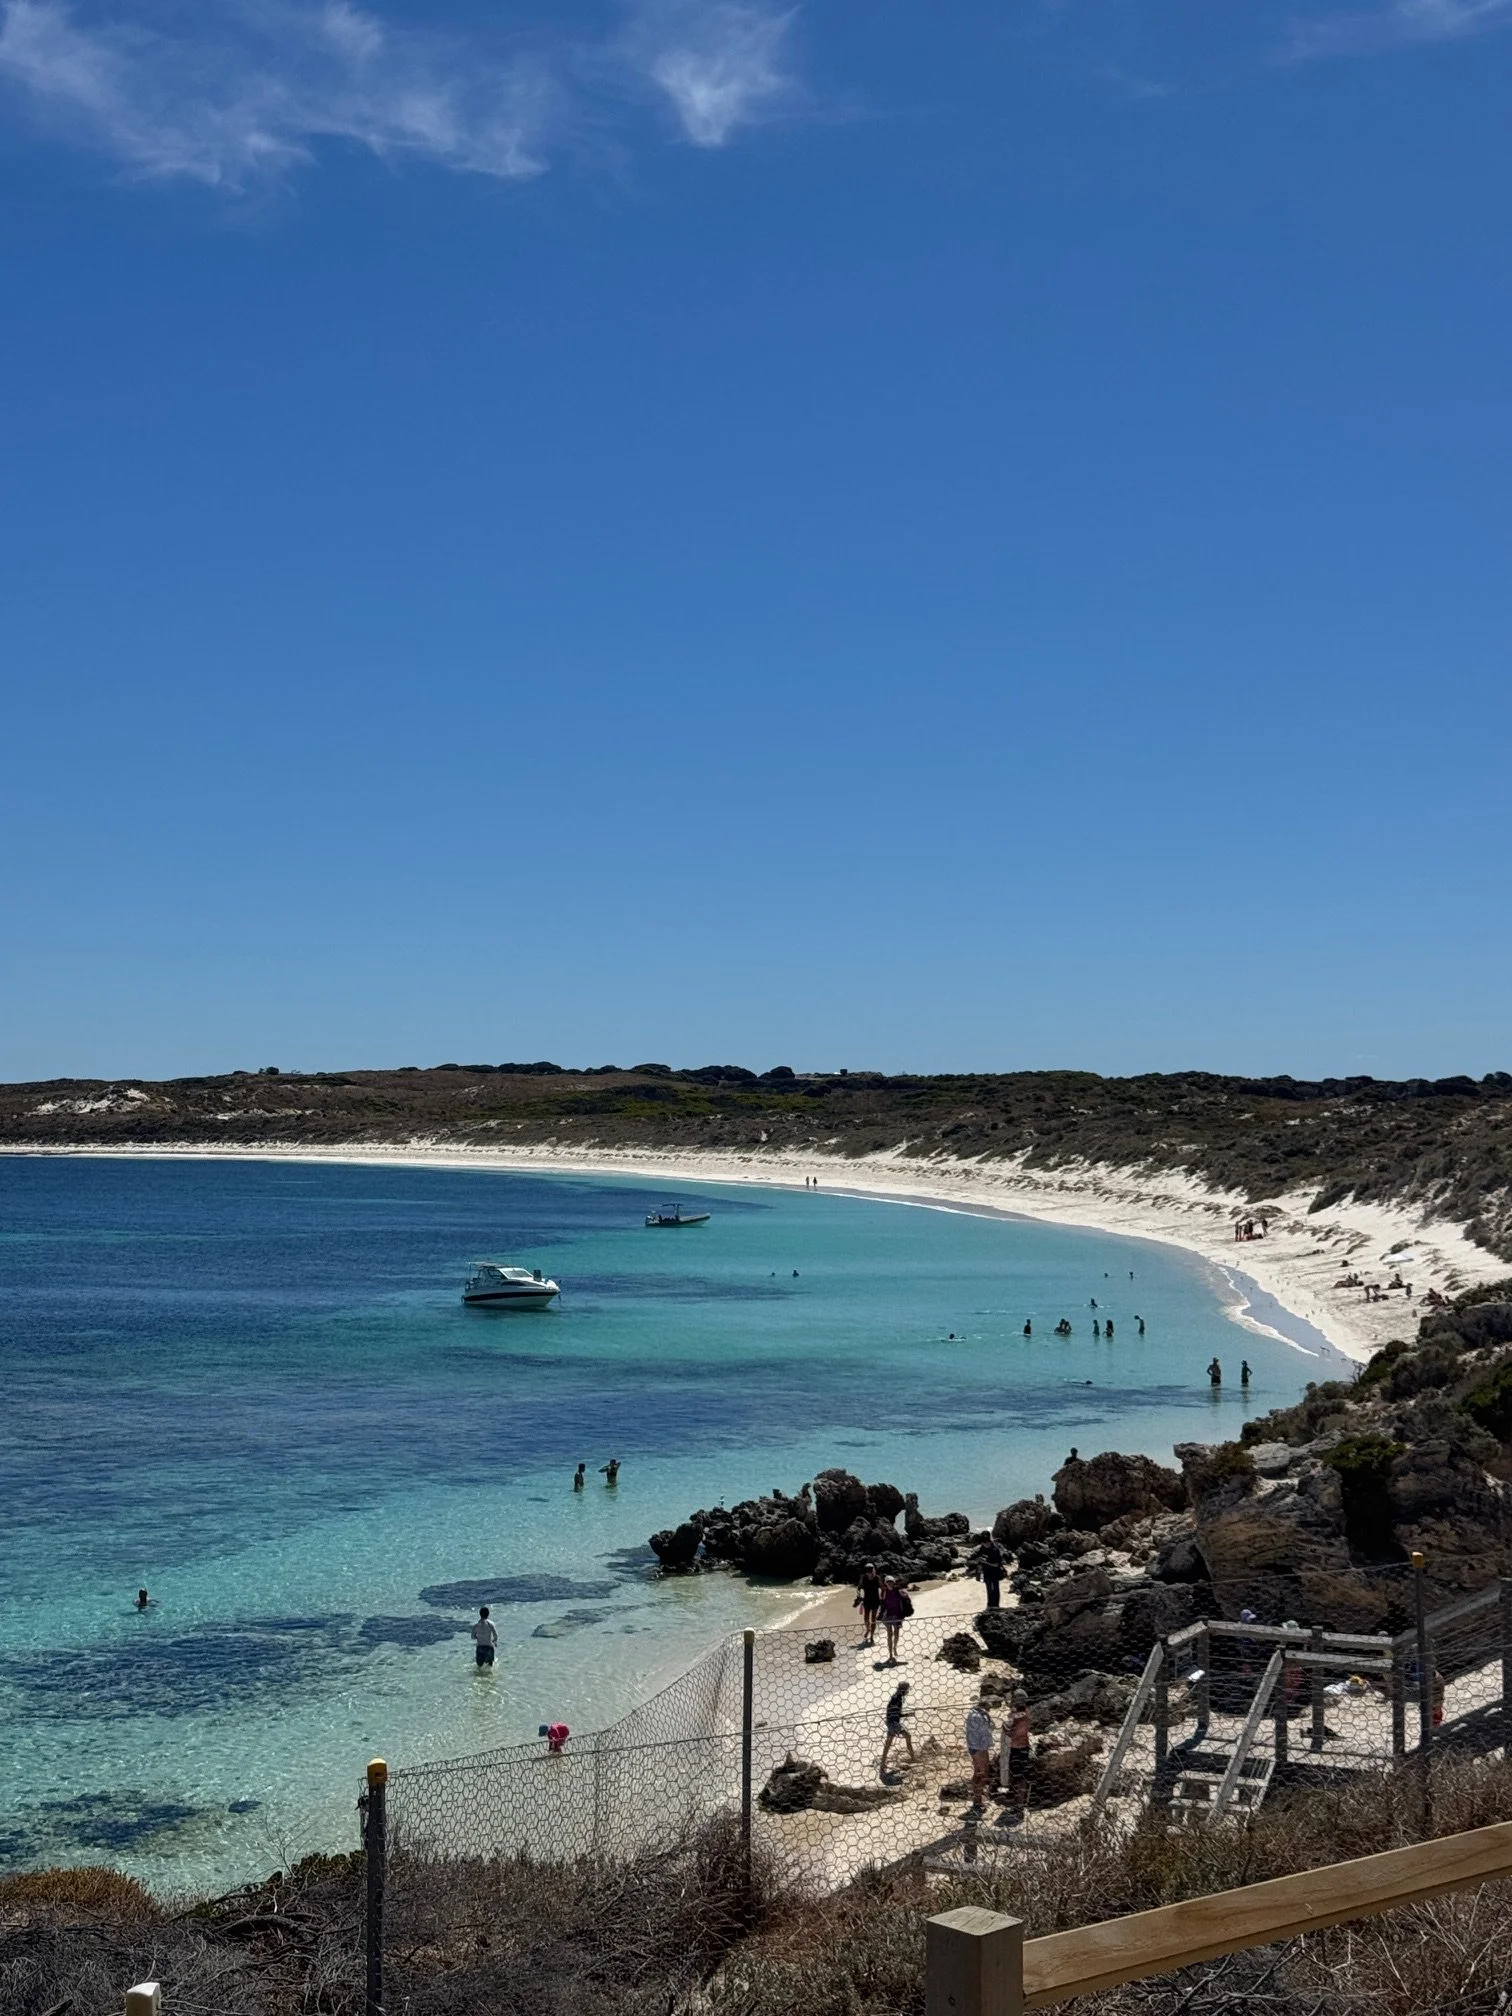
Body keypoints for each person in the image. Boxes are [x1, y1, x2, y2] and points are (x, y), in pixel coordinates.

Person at [1005, 1689, 1032, 1815]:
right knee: (1018, 1777)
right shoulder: (1025, 1713)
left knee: (1019, 1778)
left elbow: (1012, 1733)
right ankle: (1019, 1803)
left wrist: (1005, 1729)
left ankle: (1019, 1805)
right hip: (1020, 1748)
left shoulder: (1021, 1717)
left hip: (1019, 1749)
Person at [965, 1698, 994, 1807]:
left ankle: (976, 1794)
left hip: (974, 1746)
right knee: (983, 1773)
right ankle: (977, 1800)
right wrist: (988, 1717)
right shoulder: (980, 1717)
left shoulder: (972, 1714)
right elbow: (988, 1729)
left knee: (978, 1771)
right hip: (979, 1747)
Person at [880, 1681, 914, 1774]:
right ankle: (913, 1758)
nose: (907, 1692)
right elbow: (895, 1713)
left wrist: (907, 1715)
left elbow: (894, 1713)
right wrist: (906, 1715)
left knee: (888, 1743)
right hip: (893, 1723)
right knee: (907, 1737)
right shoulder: (897, 1698)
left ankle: (882, 1763)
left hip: (892, 1722)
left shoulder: (896, 1697)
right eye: (906, 1690)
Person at [879, 1575, 911, 1664]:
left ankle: (895, 1648)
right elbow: (881, 1601)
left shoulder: (897, 1590)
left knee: (896, 1634)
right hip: (888, 1615)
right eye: (888, 1582)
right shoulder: (884, 1592)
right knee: (890, 1634)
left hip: (897, 1615)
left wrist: (902, 1592)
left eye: (891, 1582)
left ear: (893, 1582)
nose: (890, 1583)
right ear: (885, 1583)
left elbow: (906, 1595)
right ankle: (890, 1654)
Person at [855, 1562, 883, 1646]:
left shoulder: (877, 1578)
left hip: (875, 1601)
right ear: (866, 1571)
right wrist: (858, 1594)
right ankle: (868, 1629)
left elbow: (882, 1587)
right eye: (868, 1571)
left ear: (873, 1570)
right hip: (867, 1601)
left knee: (873, 1619)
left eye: (871, 1571)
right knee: (866, 1618)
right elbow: (859, 1587)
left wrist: (883, 1597)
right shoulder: (863, 1578)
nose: (869, 1572)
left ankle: (871, 1636)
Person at [976, 1539, 1005, 1610]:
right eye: (983, 1543)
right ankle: (989, 1604)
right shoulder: (982, 1548)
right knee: (989, 1589)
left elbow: (997, 1564)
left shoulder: (995, 1550)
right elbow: (978, 1556)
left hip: (994, 1573)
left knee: (994, 1589)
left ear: (989, 1541)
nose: (985, 1544)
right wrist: (979, 1561)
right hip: (986, 1572)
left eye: (986, 1542)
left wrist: (986, 1562)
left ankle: (995, 1606)